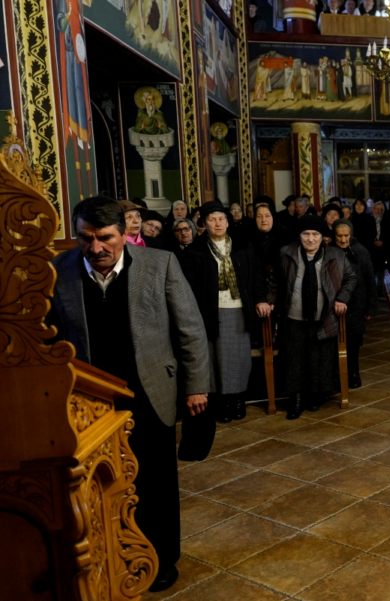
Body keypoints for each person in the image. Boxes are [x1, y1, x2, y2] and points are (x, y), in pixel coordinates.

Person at [48, 197, 210, 592]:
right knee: (100, 483)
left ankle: (162, 557)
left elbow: (190, 330)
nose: (96, 248)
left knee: (154, 480)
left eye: (105, 238)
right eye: (86, 238)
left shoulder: (160, 264)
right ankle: (111, 554)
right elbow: (50, 336)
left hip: (149, 391)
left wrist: (196, 386)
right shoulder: (59, 269)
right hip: (90, 400)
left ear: (124, 234)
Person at [186, 202, 270, 423]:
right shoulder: (195, 251)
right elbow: (190, 285)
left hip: (239, 308)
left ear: (228, 222)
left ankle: (239, 399)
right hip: (210, 312)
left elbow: (257, 275)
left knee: (240, 358)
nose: (218, 223)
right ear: (204, 224)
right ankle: (222, 401)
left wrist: (260, 299)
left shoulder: (243, 246)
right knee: (215, 359)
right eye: (212, 219)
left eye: (221, 219)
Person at [278, 215, 356, 418]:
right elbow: (276, 280)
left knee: (319, 358)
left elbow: (350, 278)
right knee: (294, 359)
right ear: (299, 236)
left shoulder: (336, 255)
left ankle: (314, 396)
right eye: (306, 234)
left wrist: (342, 298)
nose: (310, 238)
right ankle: (296, 399)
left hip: (324, 316)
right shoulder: (287, 252)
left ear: (323, 237)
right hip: (294, 316)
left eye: (315, 234)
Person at [332, 219, 377, 388]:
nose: (343, 239)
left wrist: (370, 306)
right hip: (335, 303)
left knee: (354, 341)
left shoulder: (361, 251)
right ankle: (336, 375)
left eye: (346, 235)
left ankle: (353, 373)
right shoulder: (329, 250)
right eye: (339, 236)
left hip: (357, 302)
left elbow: (370, 279)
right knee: (334, 341)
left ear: (351, 235)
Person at [369, 200, 390, 294]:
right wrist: (373, 242)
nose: (378, 211)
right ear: (373, 209)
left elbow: (389, 234)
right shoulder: (368, 219)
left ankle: (380, 286)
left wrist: (382, 242)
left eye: (380, 209)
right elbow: (365, 234)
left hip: (382, 247)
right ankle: (372, 286)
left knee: (381, 267)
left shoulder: (386, 220)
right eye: (376, 208)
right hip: (371, 247)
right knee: (372, 268)